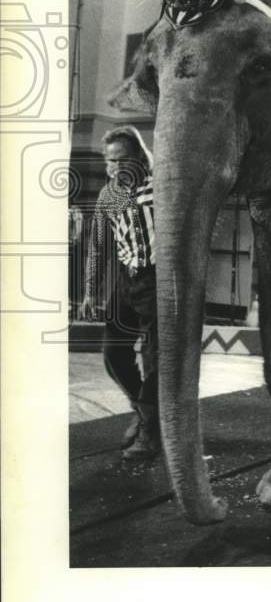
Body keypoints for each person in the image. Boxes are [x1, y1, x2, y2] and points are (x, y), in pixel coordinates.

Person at [80, 126, 160, 460]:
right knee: (114, 354)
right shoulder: (108, 195)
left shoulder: (162, 188)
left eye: (122, 160)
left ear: (140, 158)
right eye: (109, 161)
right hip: (128, 281)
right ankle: (143, 413)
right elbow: (99, 247)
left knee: (156, 359)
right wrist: (89, 291)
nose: (114, 168)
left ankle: (150, 433)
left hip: (161, 280)